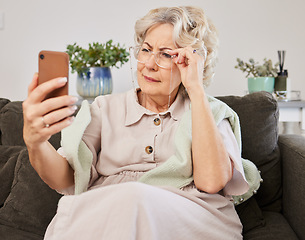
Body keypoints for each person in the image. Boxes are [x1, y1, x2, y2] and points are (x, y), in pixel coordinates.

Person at [22, 6, 249, 240]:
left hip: (189, 217)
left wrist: (196, 89)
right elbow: (66, 178)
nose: (149, 63)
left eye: (166, 54)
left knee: (134, 197)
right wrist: (35, 143)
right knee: (95, 206)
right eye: (146, 50)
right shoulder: (104, 108)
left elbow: (211, 182)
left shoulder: (209, 111)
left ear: (192, 63)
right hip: (109, 216)